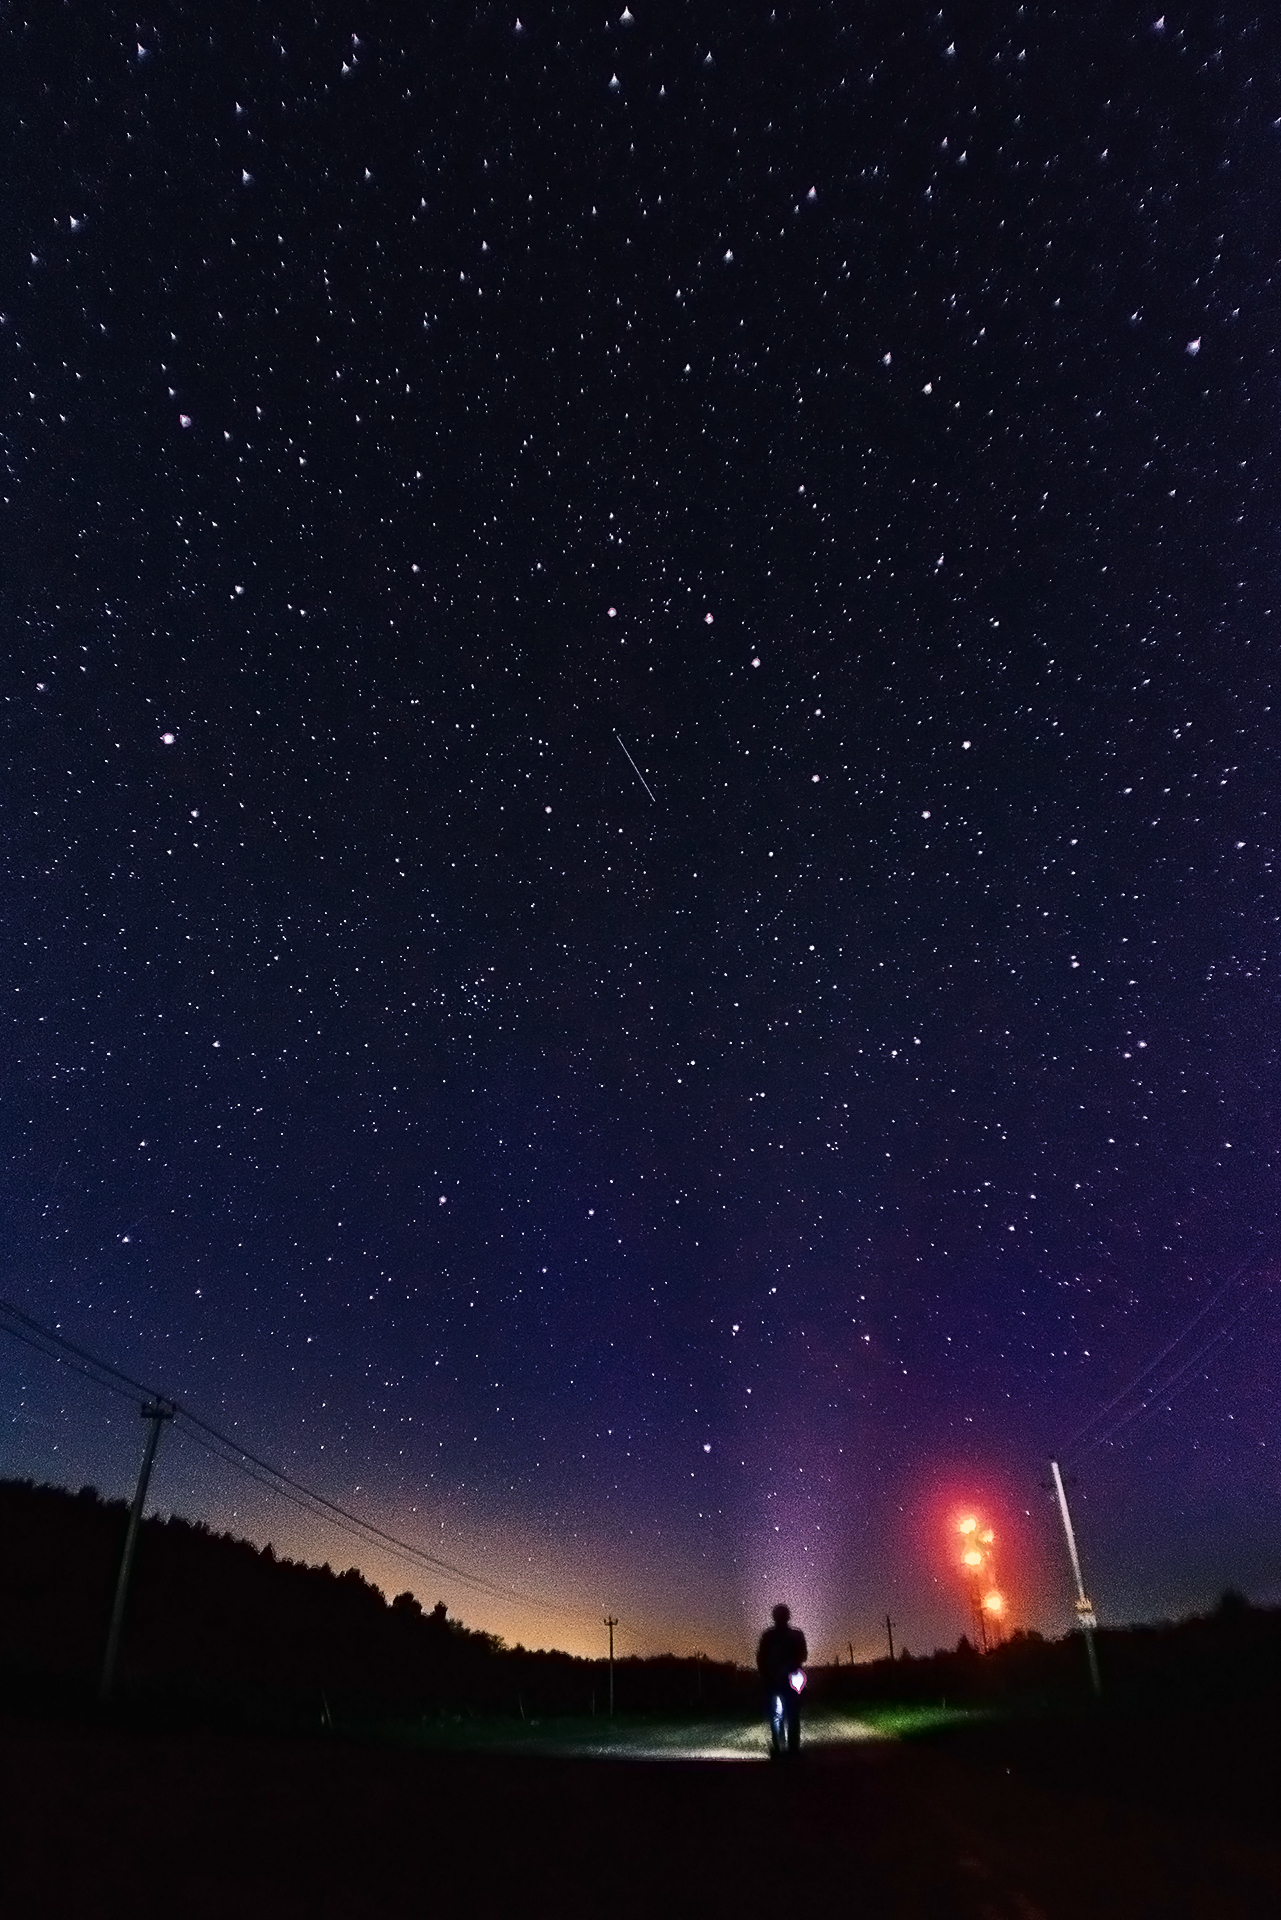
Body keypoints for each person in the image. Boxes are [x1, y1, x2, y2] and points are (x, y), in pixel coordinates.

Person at [757, 1603, 807, 1756]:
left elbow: (761, 1658)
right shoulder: (792, 1635)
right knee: (788, 1715)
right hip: (781, 1681)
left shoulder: (770, 1636)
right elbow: (803, 1655)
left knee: (782, 1716)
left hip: (781, 1681)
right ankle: (788, 1748)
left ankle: (782, 1748)